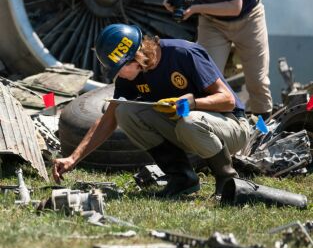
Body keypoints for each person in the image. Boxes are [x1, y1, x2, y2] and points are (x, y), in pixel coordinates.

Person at [52, 23, 250, 198]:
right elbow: (108, 119)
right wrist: (73, 158)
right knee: (124, 112)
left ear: (135, 59)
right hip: (190, 129)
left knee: (188, 121)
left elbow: (228, 100)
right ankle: (182, 178)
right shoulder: (129, 78)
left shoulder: (183, 53)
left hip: (231, 126)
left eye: (118, 68)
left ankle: (227, 179)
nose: (117, 75)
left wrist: (192, 103)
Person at [163, 0, 272, 120]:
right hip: (212, 23)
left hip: (248, 18)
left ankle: (263, 128)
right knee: (205, 77)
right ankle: (213, 127)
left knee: (257, 81)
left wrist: (195, 8)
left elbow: (235, 7)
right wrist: (170, 3)